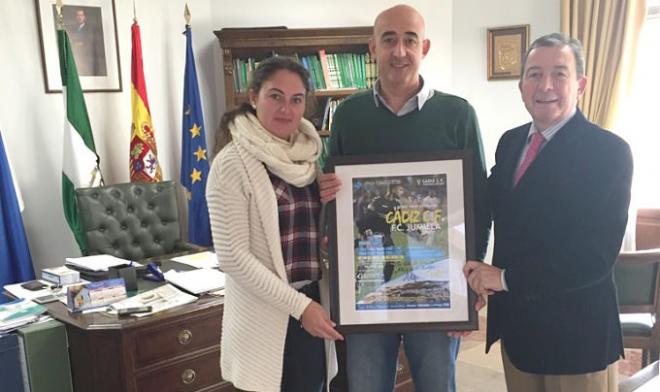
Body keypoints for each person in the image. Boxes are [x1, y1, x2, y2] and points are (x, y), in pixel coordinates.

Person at [319, 4, 490, 392]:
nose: (399, 51)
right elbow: (332, 190)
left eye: (409, 40)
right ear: (372, 48)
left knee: (436, 385)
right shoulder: (348, 115)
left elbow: (479, 198)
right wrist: (326, 196)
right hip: (367, 291)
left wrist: (472, 276)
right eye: (389, 39)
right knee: (365, 385)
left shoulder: (457, 114)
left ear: (424, 47)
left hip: (438, 288)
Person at [464, 33, 633, 392]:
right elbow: (482, 203)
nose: (546, 85)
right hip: (519, 332)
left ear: (581, 84)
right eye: (534, 74)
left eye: (559, 73)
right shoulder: (510, 143)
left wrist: (504, 278)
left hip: (577, 338)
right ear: (521, 86)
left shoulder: (609, 153)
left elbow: (594, 258)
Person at [206, 56, 343, 392]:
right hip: (266, 314)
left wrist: (332, 211)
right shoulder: (231, 165)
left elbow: (309, 233)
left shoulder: (309, 158)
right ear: (254, 97)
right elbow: (233, 257)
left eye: (296, 99)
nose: (287, 109)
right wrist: (300, 308)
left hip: (311, 304)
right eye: (275, 96)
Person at [68, 8, 106, 76]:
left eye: (81, 15)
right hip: (77, 58)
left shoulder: (90, 29)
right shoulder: (72, 29)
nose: (79, 17)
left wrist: (78, 44)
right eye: (78, 15)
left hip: (87, 59)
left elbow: (90, 43)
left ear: (84, 17)